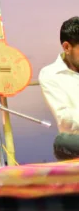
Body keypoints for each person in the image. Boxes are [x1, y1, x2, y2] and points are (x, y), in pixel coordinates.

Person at [39, 16, 79, 161]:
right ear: (67, 47)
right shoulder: (50, 74)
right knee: (62, 142)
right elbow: (66, 122)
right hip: (76, 141)